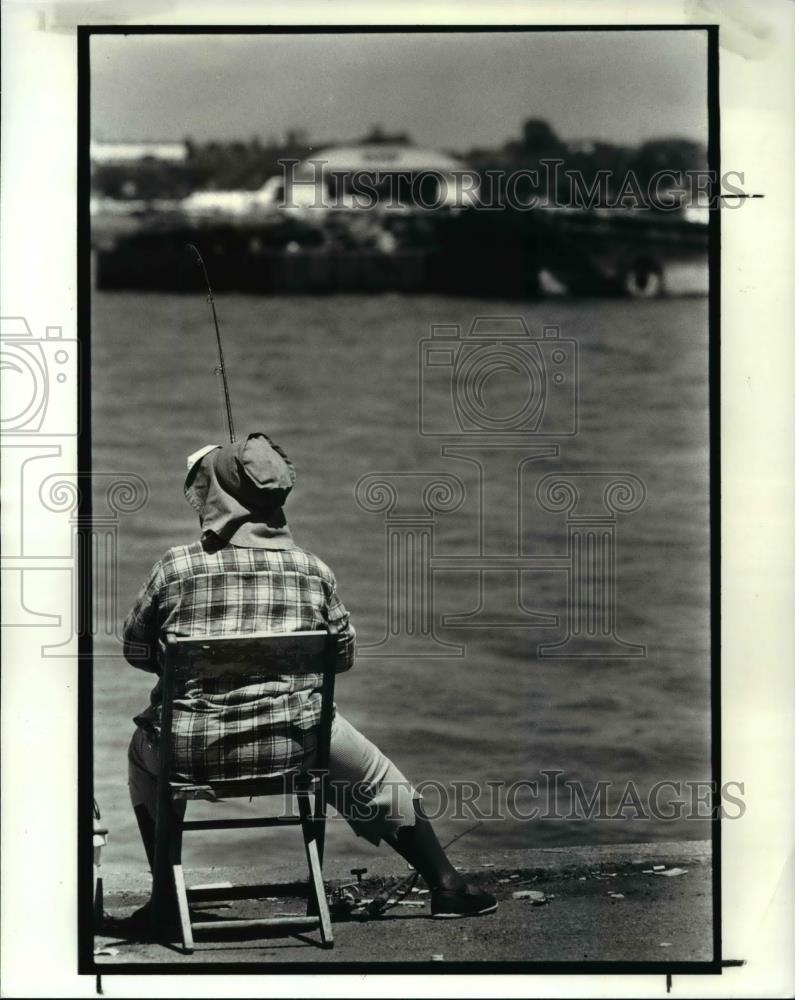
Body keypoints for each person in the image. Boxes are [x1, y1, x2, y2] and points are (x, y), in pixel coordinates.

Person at [120, 431, 496, 929]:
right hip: (296, 748)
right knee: (374, 773)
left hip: (190, 752)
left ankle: (166, 899)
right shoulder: (313, 572)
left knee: (140, 756)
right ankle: (445, 883)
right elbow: (340, 658)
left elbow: (135, 648)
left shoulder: (177, 567)